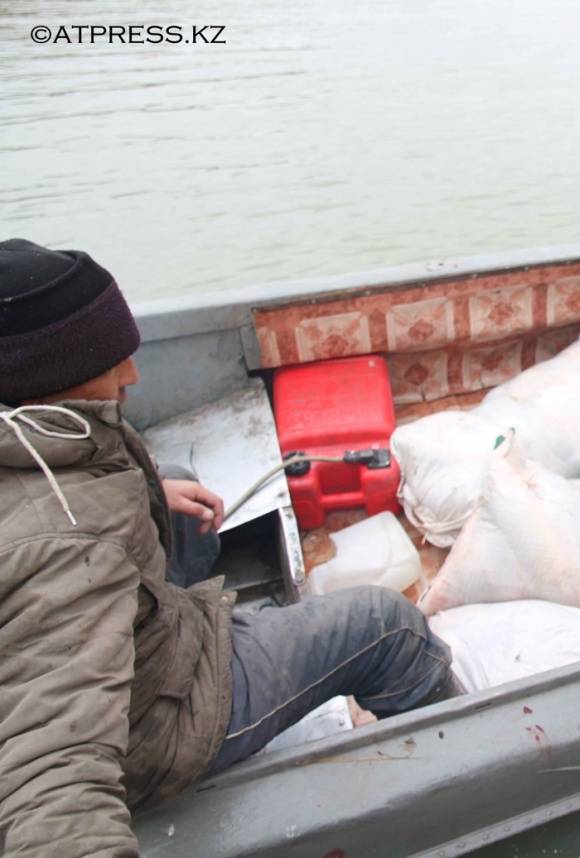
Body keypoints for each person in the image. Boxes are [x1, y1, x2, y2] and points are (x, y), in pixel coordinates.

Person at [0, 239, 457, 856]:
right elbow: (50, 787)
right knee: (390, 625)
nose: (133, 375)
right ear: (46, 379)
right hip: (157, 718)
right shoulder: (66, 545)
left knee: (186, 516)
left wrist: (152, 491)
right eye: (110, 363)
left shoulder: (39, 447)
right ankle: (458, 770)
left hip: (139, 634)